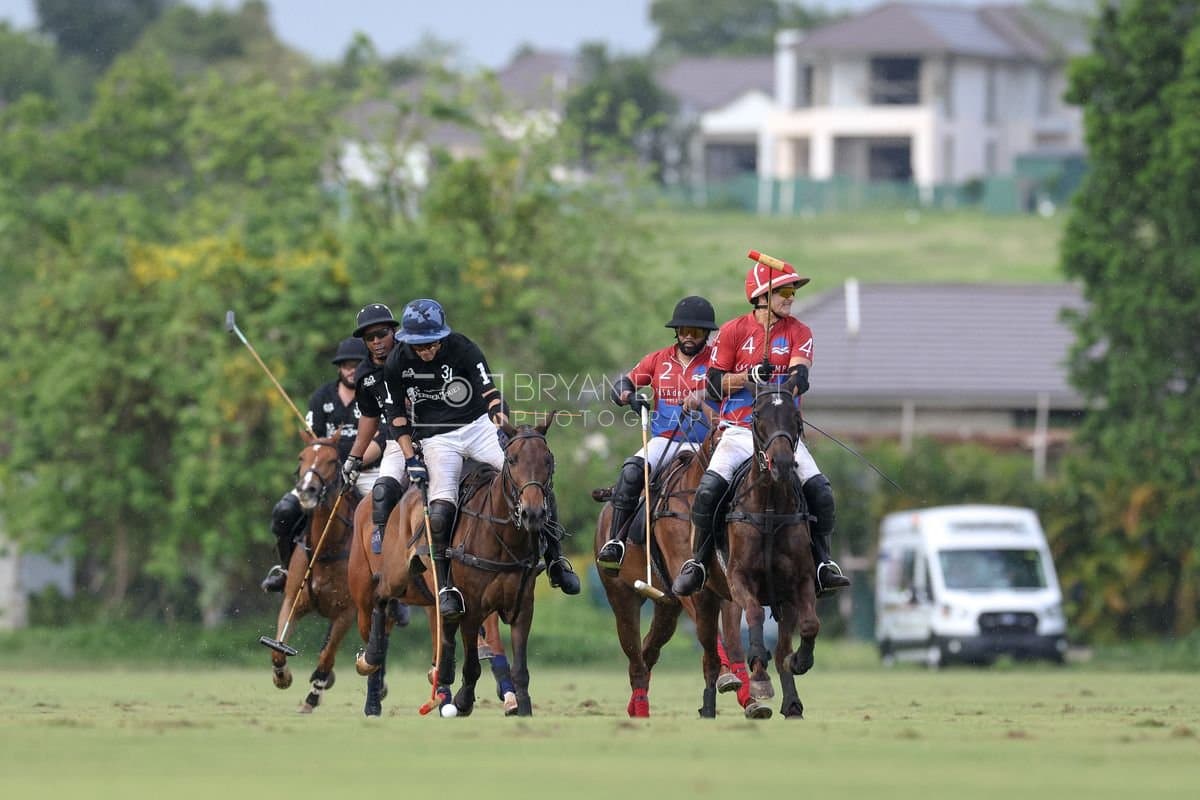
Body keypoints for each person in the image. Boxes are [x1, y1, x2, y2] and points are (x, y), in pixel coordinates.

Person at [383, 298, 580, 620]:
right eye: (419, 346)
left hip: (478, 428)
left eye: (432, 344)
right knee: (440, 508)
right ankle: (446, 586)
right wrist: (410, 457)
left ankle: (557, 560)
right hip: (437, 438)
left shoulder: (462, 348)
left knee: (530, 482)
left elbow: (489, 391)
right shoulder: (395, 362)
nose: (427, 351)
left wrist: (501, 424)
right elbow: (394, 416)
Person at [671, 258, 851, 598]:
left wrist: (775, 388)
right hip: (738, 430)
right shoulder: (733, 331)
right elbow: (712, 385)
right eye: (784, 291)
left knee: (821, 492)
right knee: (708, 489)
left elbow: (801, 377)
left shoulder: (800, 332)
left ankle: (824, 563)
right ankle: (697, 562)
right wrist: (748, 377)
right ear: (761, 295)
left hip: (781, 432)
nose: (791, 297)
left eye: (793, 291)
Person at [596, 296, 719, 571]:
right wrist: (629, 396)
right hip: (666, 439)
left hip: (708, 442)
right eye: (683, 330)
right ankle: (617, 541)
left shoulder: (718, 362)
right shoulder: (658, 360)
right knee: (630, 471)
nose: (688, 337)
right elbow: (622, 384)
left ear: (707, 334)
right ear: (676, 331)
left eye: (696, 332)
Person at [261, 337, 382, 593]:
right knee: (285, 511)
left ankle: (387, 585)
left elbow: (382, 439)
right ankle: (285, 570)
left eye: (357, 364)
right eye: (346, 365)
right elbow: (310, 444)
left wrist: (353, 460)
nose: (351, 370)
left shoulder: (376, 393)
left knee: (386, 514)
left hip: (365, 472)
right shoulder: (321, 397)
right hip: (326, 475)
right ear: (339, 368)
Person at [338, 303, 410, 559]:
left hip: (439, 434)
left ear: (394, 331)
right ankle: (386, 553)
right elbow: (369, 419)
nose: (377, 341)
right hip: (397, 442)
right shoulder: (365, 375)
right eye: (370, 337)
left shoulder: (413, 352)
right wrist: (353, 459)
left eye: (382, 334)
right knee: (382, 491)